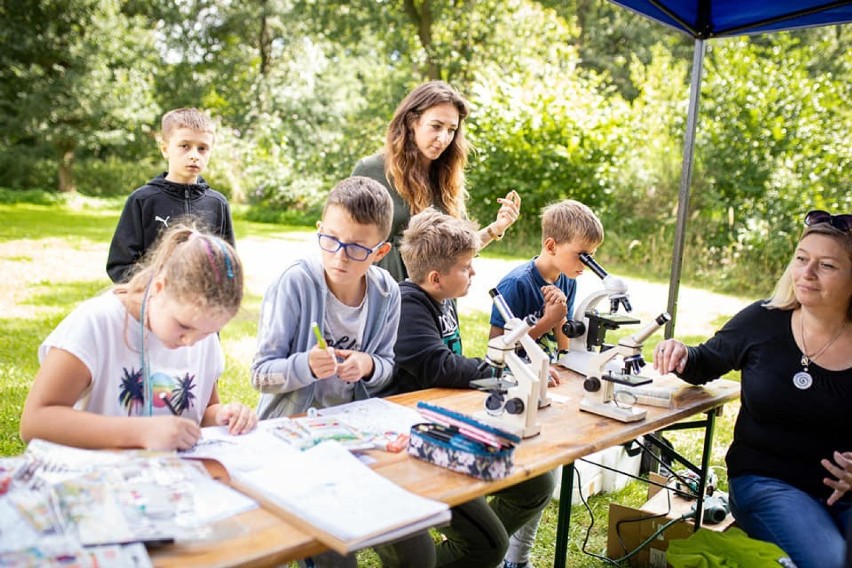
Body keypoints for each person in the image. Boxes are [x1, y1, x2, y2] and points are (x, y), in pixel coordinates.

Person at [250, 176, 433, 568]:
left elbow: (385, 368)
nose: (339, 256)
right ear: (319, 231)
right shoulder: (295, 284)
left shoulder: (386, 293)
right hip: (291, 439)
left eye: (356, 248)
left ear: (381, 251)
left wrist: (367, 365)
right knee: (338, 560)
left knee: (419, 552)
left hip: (356, 437)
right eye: (330, 240)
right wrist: (304, 366)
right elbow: (260, 374)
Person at [653, 209, 852, 568]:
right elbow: (705, 361)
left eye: (827, 266)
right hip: (766, 481)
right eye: (801, 259)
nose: (806, 273)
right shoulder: (763, 320)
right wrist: (681, 353)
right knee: (832, 561)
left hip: (844, 494)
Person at [385, 208, 555, 567]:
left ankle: (464, 550)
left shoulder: (440, 298)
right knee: (488, 547)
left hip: (445, 418)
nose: (474, 271)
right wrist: (504, 370)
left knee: (536, 485)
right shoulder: (409, 304)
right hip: (412, 436)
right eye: (466, 267)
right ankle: (470, 551)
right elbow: (441, 366)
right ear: (436, 277)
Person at [20, 223, 256, 451]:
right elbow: (35, 422)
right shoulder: (97, 323)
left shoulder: (203, 338)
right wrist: (140, 432)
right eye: (183, 325)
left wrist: (223, 415)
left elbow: (203, 410)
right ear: (159, 287)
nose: (190, 341)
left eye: (206, 332)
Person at [488, 198, 605, 568]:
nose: (587, 264)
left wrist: (560, 319)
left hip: (545, 385)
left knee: (546, 476)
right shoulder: (517, 284)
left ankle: (517, 559)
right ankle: (500, 551)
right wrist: (547, 319)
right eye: (582, 255)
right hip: (511, 393)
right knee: (531, 485)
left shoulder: (566, 282)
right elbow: (496, 351)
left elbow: (564, 345)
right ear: (552, 245)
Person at [352, 80, 520, 282]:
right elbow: (348, 243)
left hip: (437, 303)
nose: (443, 138)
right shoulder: (371, 171)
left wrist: (497, 228)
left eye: (451, 130)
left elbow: (458, 250)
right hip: (386, 296)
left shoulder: (447, 178)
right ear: (412, 121)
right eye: (436, 126)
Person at [106, 107, 235, 283]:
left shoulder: (217, 203)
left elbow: (228, 264)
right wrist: (152, 291)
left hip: (202, 305)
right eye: (184, 146)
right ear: (165, 149)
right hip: (153, 304)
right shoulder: (142, 200)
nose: (194, 156)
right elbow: (120, 265)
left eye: (202, 148)